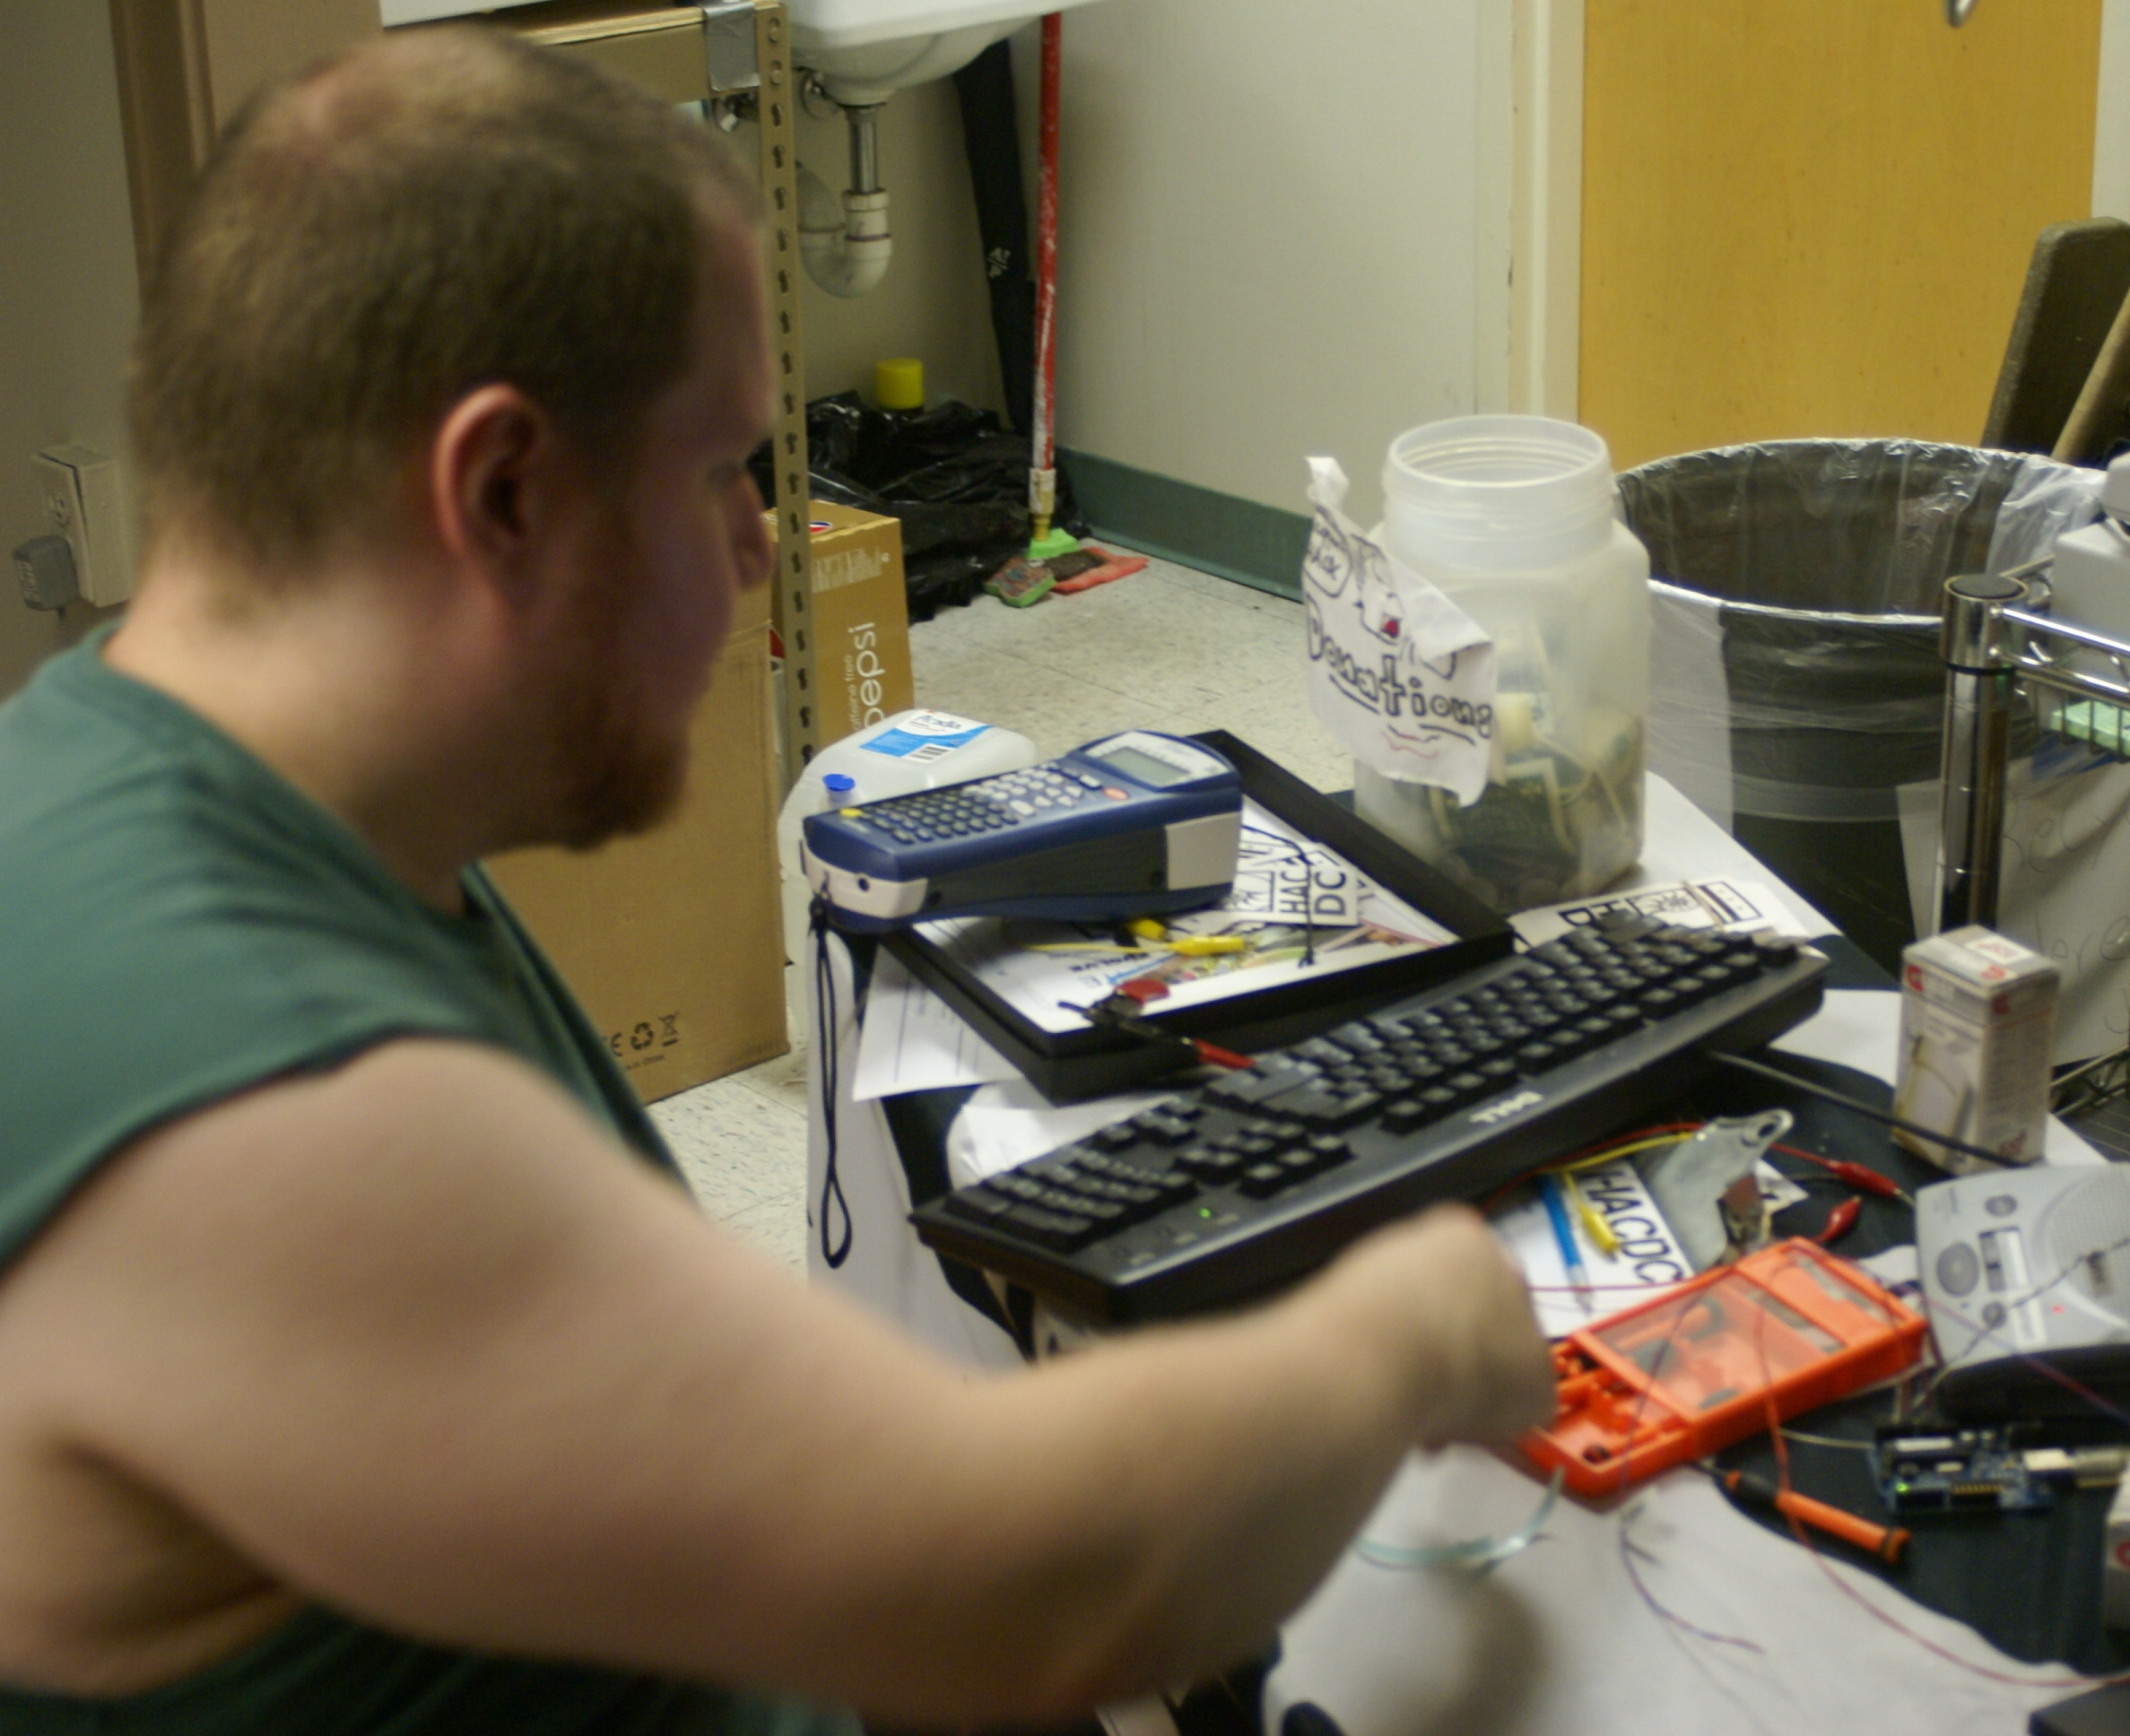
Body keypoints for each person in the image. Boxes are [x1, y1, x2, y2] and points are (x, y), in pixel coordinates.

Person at [0, 28, 1551, 1734]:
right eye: (720, 474)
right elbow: (1034, 1593)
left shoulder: (150, 790)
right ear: (502, 492)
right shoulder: (279, 1105)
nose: (760, 549)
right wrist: (1418, 1325)